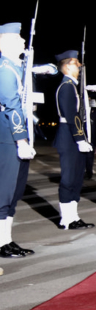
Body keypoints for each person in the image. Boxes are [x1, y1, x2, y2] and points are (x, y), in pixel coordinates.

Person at [0, 22, 36, 260]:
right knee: (4, 192)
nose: (24, 41)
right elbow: (11, 105)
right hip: (7, 137)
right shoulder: (5, 69)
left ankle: (6, 240)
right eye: (19, 39)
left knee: (14, 192)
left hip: (16, 135)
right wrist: (21, 140)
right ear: (4, 43)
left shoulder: (17, 67)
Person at [53, 50, 95, 229]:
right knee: (69, 178)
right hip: (68, 136)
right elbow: (71, 116)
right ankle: (65, 219)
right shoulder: (67, 86)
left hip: (74, 135)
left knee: (77, 178)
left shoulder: (72, 86)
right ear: (68, 65)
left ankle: (74, 217)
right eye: (77, 63)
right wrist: (79, 138)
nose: (79, 66)